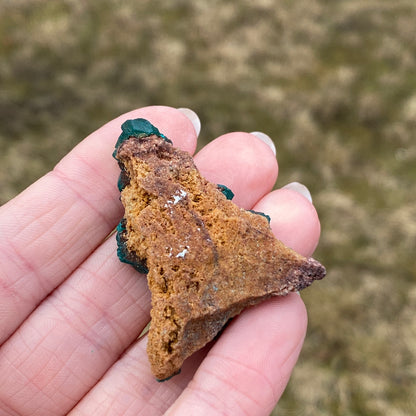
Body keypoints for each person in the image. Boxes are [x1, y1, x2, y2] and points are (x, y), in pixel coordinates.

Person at [0, 106, 321, 415]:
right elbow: (131, 248)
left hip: (249, 267)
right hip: (186, 306)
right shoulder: (145, 204)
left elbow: (131, 248)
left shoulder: (185, 191)